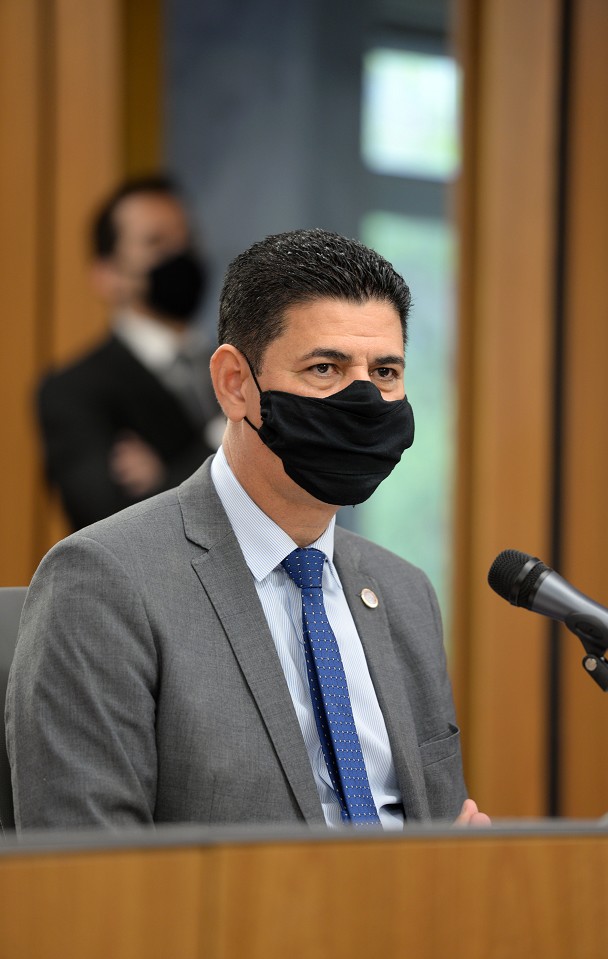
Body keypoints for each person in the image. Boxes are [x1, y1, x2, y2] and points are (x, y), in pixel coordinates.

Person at [7, 228, 489, 831]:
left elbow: (440, 823)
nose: (365, 399)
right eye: (325, 368)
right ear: (235, 383)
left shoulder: (405, 592)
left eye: (385, 371)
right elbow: (91, 873)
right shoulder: (104, 582)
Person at [37, 175, 224, 531]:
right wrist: (225, 435)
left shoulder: (239, 370)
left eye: (187, 239)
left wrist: (161, 481)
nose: (180, 254)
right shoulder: (74, 390)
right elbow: (105, 520)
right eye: (156, 242)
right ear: (107, 275)